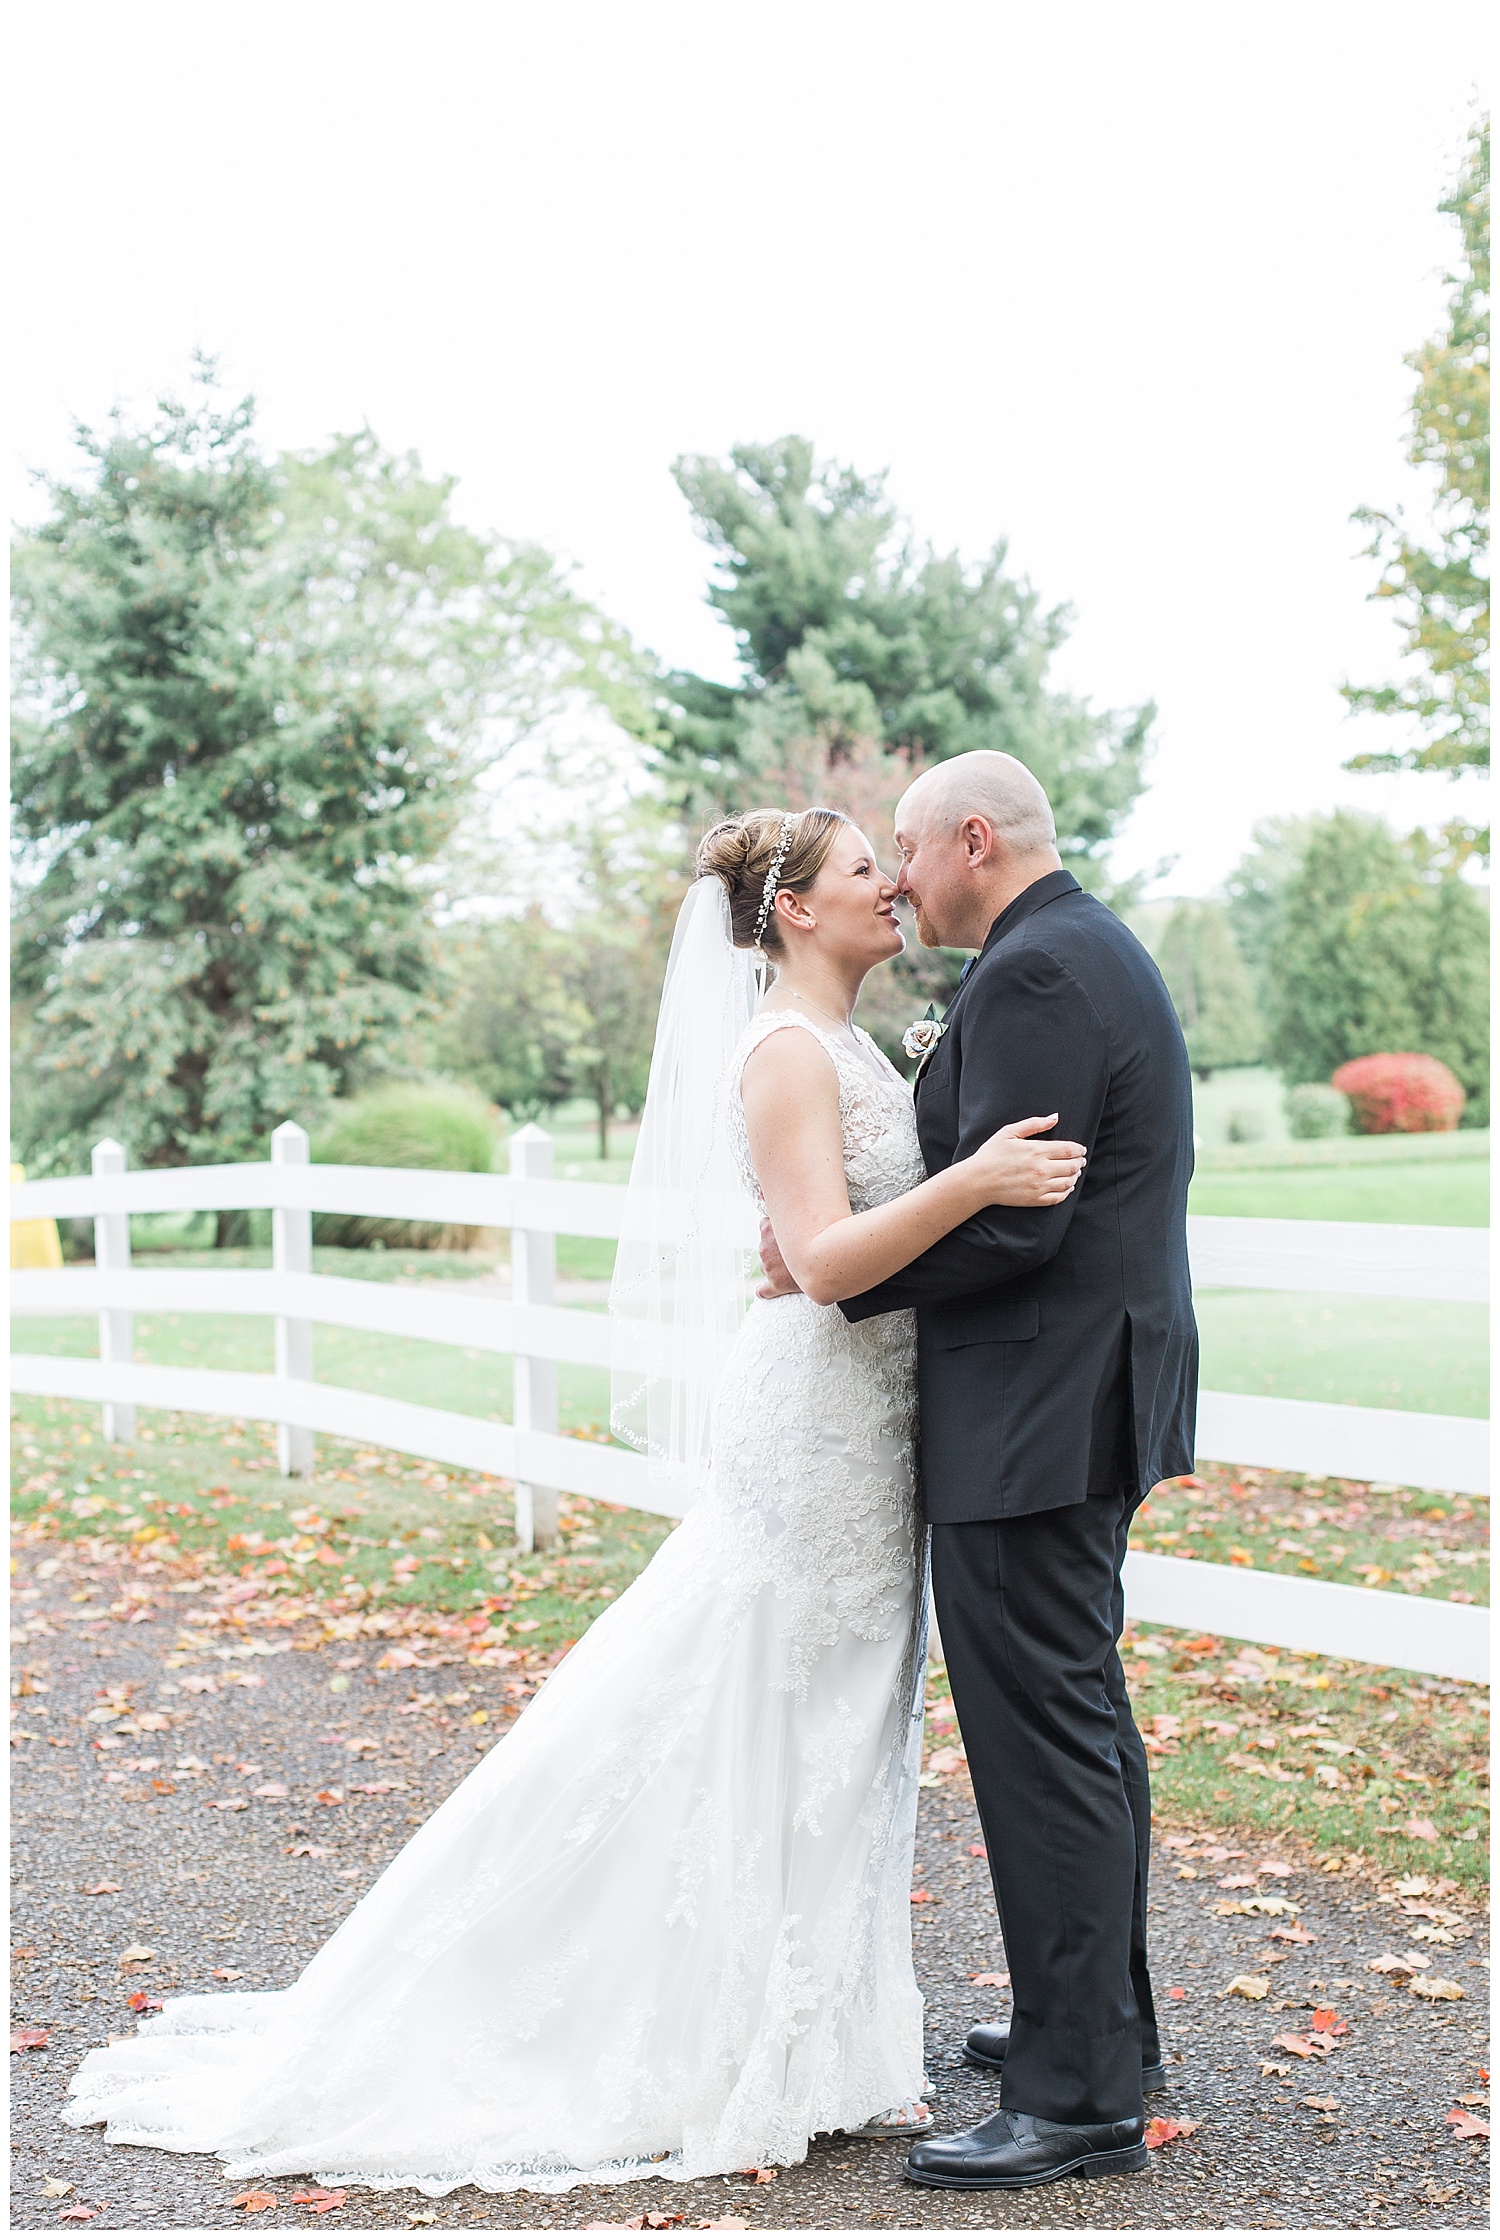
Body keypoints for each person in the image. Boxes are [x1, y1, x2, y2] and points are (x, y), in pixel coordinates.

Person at [64, 805, 1084, 2201]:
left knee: (841, 1721)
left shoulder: (844, 1043)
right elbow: (829, 1262)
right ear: (792, 909)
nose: (894, 890)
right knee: (751, 1708)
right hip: (816, 1431)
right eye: (865, 872)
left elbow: (813, 1243)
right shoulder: (785, 1051)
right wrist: (973, 1180)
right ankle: (693, 2036)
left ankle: (803, 2042)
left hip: (877, 1423)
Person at [759, 751, 1198, 2192]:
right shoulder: (1075, 948)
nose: (897, 877)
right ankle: (1093, 2031)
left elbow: (1021, 1222)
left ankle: (1079, 2099)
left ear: (971, 837)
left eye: (906, 849)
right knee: (1082, 1724)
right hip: (1068, 1400)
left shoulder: (1038, 975)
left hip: (1035, 1414)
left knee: (1045, 1742)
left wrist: (835, 1282)